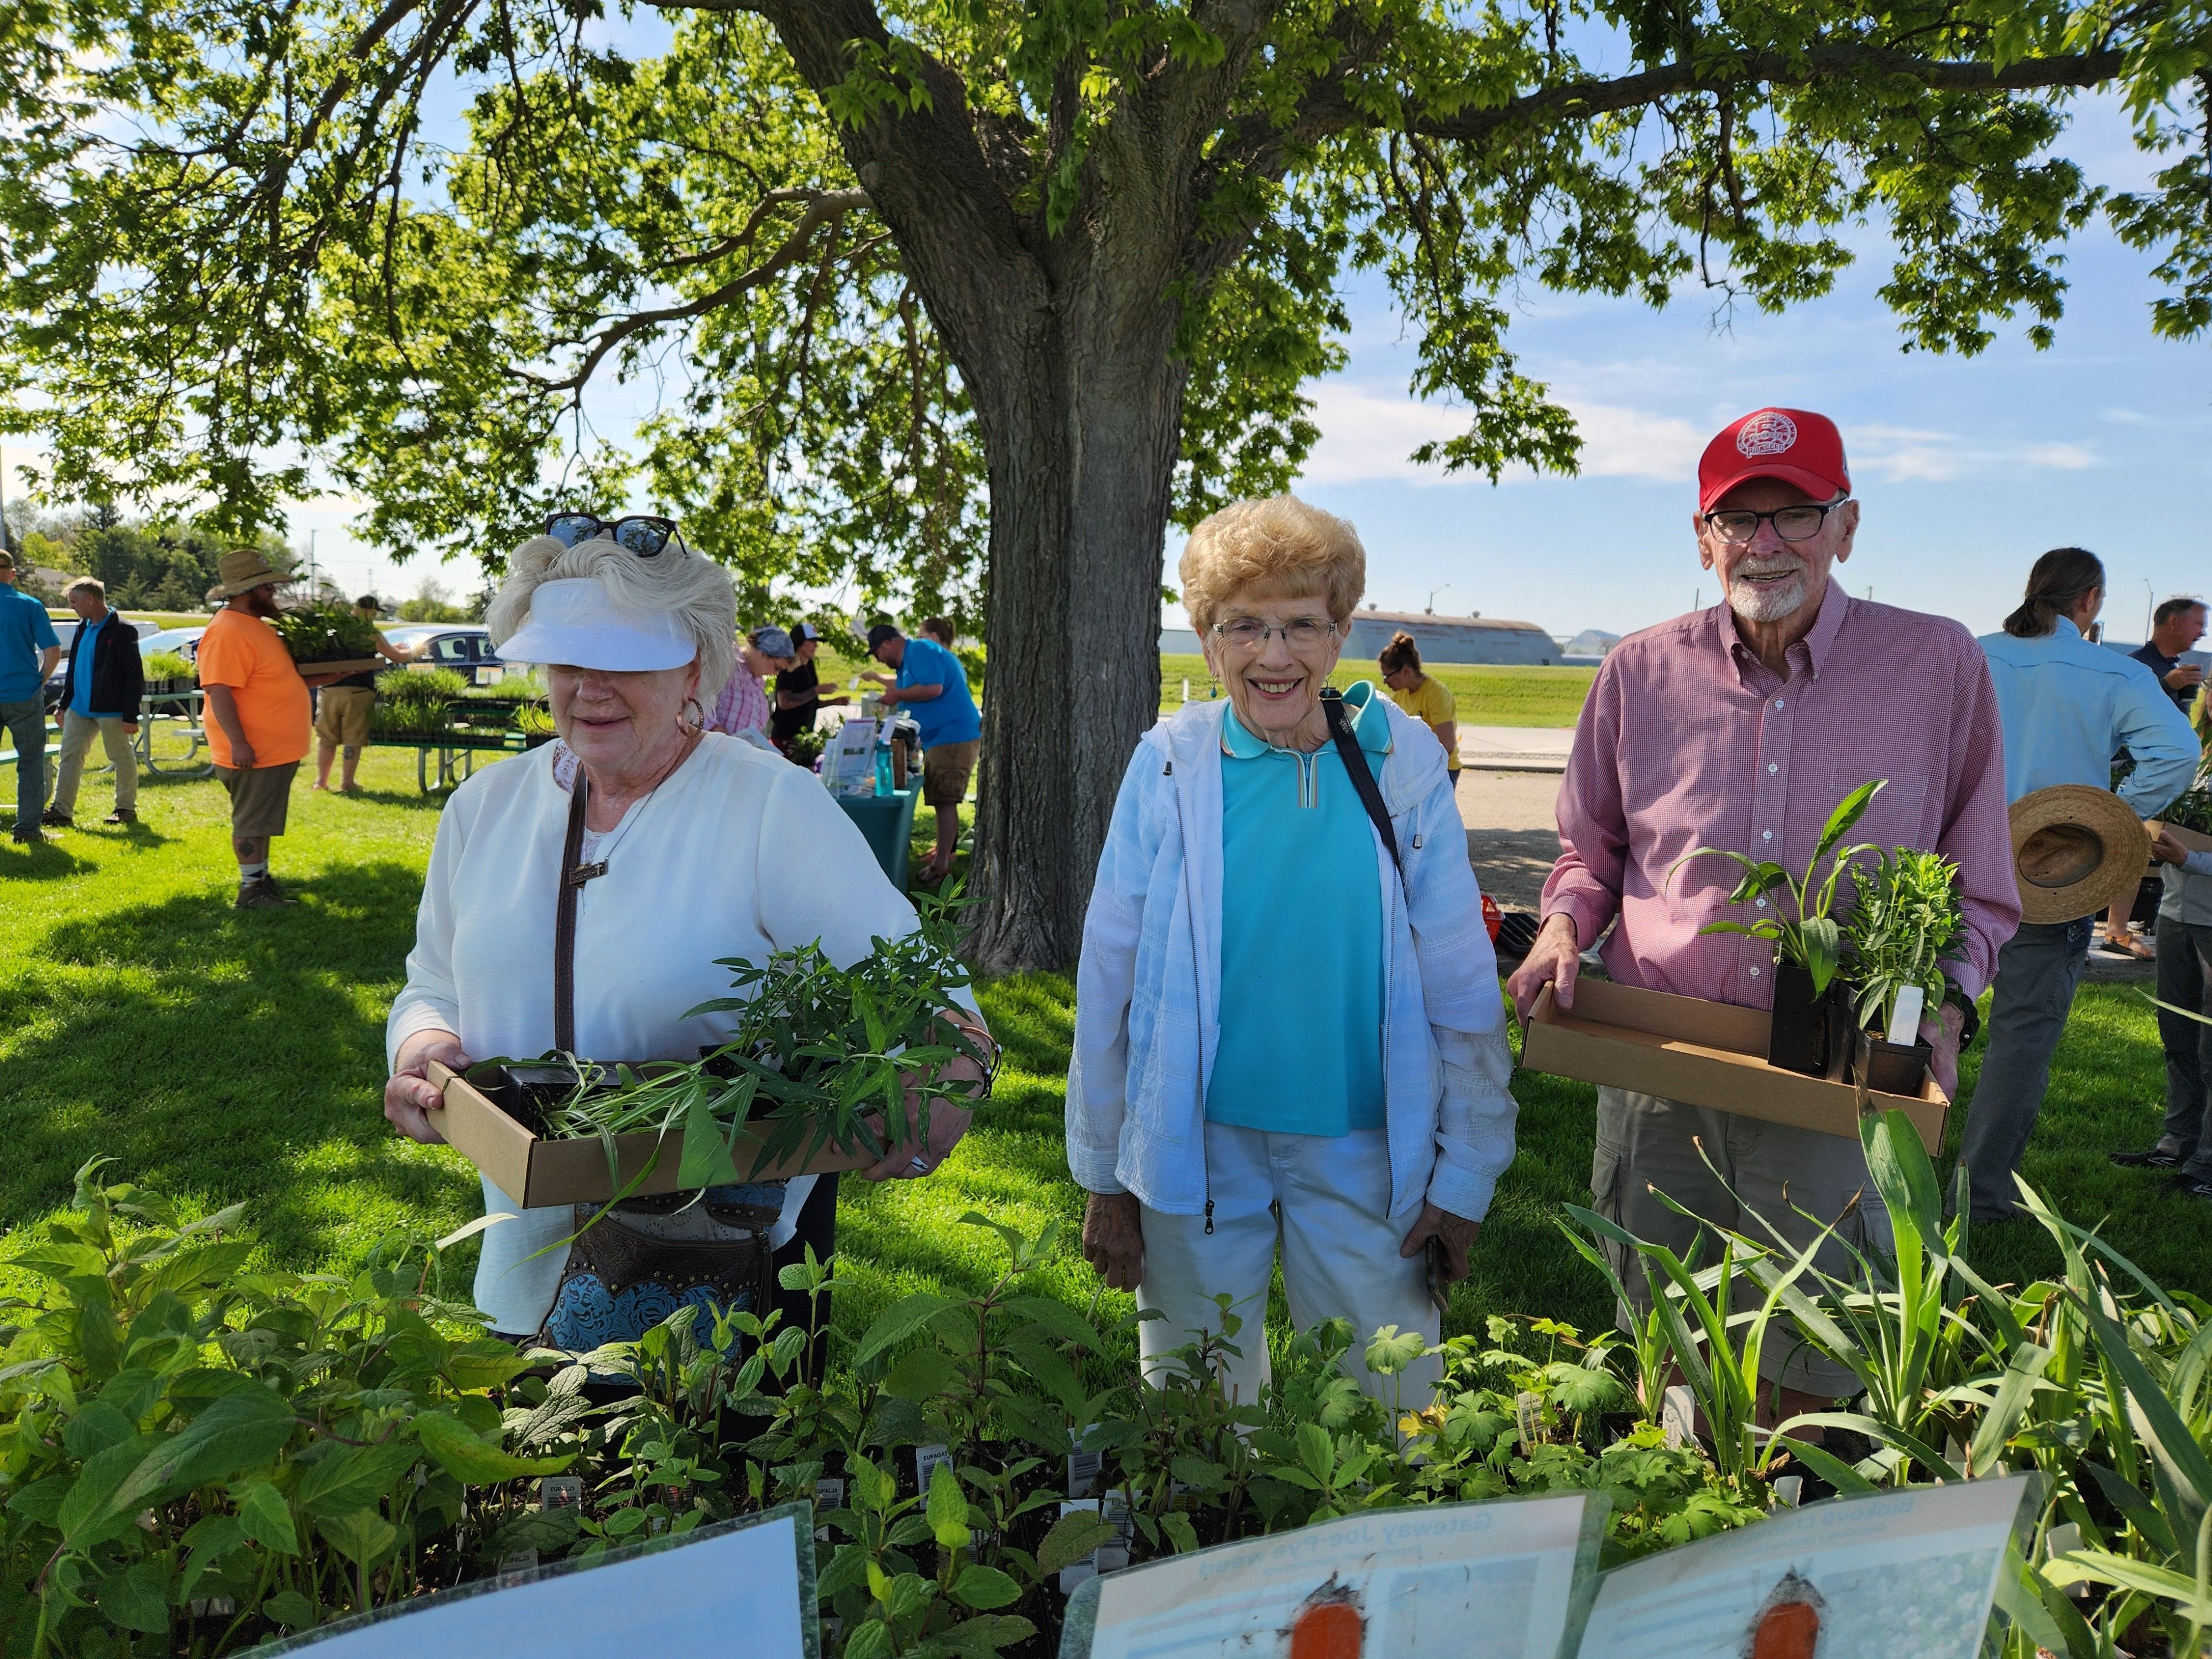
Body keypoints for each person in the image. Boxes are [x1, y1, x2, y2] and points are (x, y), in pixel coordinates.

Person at [1506, 406, 2020, 1417]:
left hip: (1846, 1066)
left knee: (1819, 1367)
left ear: (1847, 526)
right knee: (1669, 1349)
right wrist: (1565, 924)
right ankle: (1683, 1547)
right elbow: (1591, 852)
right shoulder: (1638, 669)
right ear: (1703, 539)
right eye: (1738, 521)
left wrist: (1949, 1008)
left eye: (1794, 514)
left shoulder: (1937, 664)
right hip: (1663, 1075)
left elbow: (1979, 880)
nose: (1766, 544)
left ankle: (1794, 1561)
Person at [382, 524, 994, 1352]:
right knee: (532, 1472)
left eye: (628, 659)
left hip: (722, 1277)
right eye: (568, 658)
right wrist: (424, 1045)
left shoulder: (770, 807)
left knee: (717, 1477)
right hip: (522, 1263)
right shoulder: (485, 809)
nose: (592, 686)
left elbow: (929, 1004)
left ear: (694, 670)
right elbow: (433, 981)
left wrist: (947, 1072)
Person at [1070, 494, 1517, 1403]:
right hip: (1196, 1146)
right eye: (1245, 627)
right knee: (1195, 1412)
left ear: (1341, 630)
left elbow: (1460, 977)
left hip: (1364, 1145)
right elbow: (1108, 971)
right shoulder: (1170, 763)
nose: (1275, 656)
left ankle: (1376, 1552)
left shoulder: (1402, 764)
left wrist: (1467, 1171)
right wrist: (1105, 1174)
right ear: (1205, 637)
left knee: (1388, 1404)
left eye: (1302, 627)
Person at [1969, 549, 2198, 1219]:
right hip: (2051, 878)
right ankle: (1980, 1197)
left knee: (1913, 1021)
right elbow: (2179, 751)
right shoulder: (2111, 671)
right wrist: (2109, 818)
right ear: (2090, 601)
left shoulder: (1972, 653)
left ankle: (1885, 1166)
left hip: (1954, 862)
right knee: (2021, 1041)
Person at [197, 548, 351, 907]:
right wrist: (239, 742)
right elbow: (218, 689)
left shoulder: (254, 626)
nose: (272, 592)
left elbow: (281, 677)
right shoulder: (227, 630)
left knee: (262, 819)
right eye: (266, 587)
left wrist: (334, 674)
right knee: (251, 820)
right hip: (253, 749)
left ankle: (261, 881)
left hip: (271, 749)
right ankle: (251, 890)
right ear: (245, 591)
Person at [2115, 825, 2212, 1200]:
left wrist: (2192, 860)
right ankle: (2178, 1144)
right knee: (2178, 1039)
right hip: (2174, 915)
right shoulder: (2191, 774)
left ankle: (2206, 1165)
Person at [870, 622, 981, 884]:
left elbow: (935, 688)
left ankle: (942, 867)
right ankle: (940, 861)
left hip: (954, 736)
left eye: (877, 653)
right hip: (940, 739)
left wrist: (896, 695)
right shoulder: (909, 663)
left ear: (887, 644)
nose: (878, 660)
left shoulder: (920, 649)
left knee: (945, 800)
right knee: (940, 798)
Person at [44, 577, 144, 827]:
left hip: (111, 709)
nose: (72, 607)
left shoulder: (123, 630)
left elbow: (135, 676)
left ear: (91, 599)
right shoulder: (82, 626)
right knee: (69, 756)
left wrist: (131, 715)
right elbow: (74, 669)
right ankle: (61, 811)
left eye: (74, 602)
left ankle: (125, 809)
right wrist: (64, 704)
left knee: (121, 758)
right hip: (79, 708)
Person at [313, 594, 415, 794]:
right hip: (358, 692)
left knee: (327, 737)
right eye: (375, 612)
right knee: (353, 738)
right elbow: (395, 657)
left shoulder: (335, 629)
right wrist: (415, 650)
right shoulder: (369, 632)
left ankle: (321, 782)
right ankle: (347, 783)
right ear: (371, 611)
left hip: (328, 690)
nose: (375, 615)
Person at [0, 549, 61, 844]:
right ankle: (27, 830)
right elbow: (52, 651)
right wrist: (41, 680)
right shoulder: (30, 605)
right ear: (12, 574)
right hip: (24, 693)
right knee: (32, 763)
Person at [1378, 631, 1461, 784]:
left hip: (1442, 770)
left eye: (1387, 676)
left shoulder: (1436, 693)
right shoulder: (1399, 695)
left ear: (1406, 671)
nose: (1385, 682)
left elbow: (1447, 746)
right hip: (1415, 770)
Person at [769, 621, 846, 752]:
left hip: (805, 739)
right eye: (812, 641)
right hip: (786, 740)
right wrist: (817, 690)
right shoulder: (789, 667)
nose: (816, 645)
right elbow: (785, 702)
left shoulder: (809, 665)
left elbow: (808, 702)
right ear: (800, 642)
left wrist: (834, 702)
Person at [706, 624, 790, 741]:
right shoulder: (726, 662)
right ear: (764, 653)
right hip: (710, 751)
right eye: (777, 668)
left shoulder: (758, 682)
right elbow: (693, 702)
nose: (776, 674)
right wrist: (714, 727)